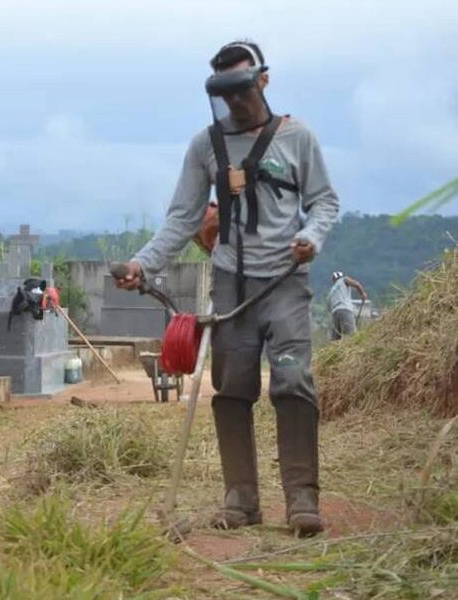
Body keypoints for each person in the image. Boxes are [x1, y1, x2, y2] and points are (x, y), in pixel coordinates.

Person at [114, 41, 339, 536]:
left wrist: (311, 237)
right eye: (224, 94)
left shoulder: (297, 138)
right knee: (232, 390)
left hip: (285, 282)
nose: (235, 103)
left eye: (242, 90)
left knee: (293, 383)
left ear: (263, 81)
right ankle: (241, 500)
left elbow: (324, 202)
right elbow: (182, 218)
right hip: (231, 287)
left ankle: (302, 500)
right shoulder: (205, 145)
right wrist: (142, 264)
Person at [327, 271, 368, 340]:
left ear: (333, 280)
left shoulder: (331, 291)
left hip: (334, 313)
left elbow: (328, 306)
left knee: (336, 340)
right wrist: (362, 293)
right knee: (352, 336)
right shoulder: (344, 279)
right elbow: (356, 284)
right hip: (345, 310)